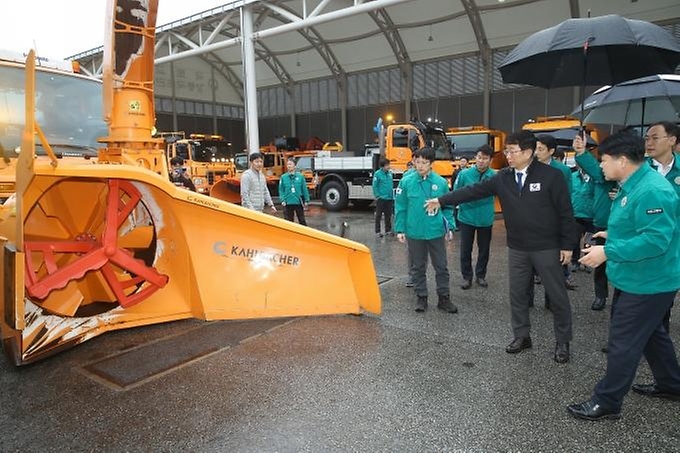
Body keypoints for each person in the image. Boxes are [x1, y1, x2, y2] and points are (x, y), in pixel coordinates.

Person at [425, 130, 576, 363]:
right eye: (506, 150)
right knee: (517, 294)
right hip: (517, 247)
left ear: (528, 152)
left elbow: (566, 212)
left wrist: (567, 246)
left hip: (546, 246)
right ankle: (522, 336)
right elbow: (473, 191)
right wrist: (441, 200)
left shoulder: (551, 176)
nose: (507, 155)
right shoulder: (503, 177)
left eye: (512, 151)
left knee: (557, 295)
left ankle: (563, 341)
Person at [567, 130, 680, 421]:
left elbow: (656, 240)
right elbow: (638, 226)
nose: (601, 166)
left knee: (623, 342)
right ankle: (671, 384)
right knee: (653, 334)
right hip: (637, 277)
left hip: (649, 281)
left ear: (622, 160)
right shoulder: (633, 182)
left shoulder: (653, 190)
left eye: (603, 160)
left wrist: (608, 251)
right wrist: (612, 233)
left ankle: (607, 402)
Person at [395, 147, 458, 314]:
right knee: (417, 266)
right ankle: (421, 296)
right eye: (417, 162)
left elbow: (448, 206)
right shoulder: (406, 182)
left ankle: (444, 298)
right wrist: (400, 229)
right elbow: (400, 206)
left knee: (441, 266)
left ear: (431, 164)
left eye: (424, 162)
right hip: (414, 232)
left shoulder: (441, 183)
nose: (420, 165)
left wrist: (449, 226)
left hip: (435, 231)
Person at [644, 121, 680, 331]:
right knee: (633, 294)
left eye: (655, 138)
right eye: (647, 138)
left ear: (672, 140)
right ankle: (629, 336)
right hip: (642, 239)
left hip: (672, 244)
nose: (649, 143)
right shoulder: (640, 168)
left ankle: (659, 334)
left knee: (664, 296)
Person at [535, 134, 577, 292]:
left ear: (551, 151)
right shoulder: (530, 166)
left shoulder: (562, 171)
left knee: (553, 264)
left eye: (541, 149)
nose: (536, 152)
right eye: (535, 148)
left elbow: (566, 199)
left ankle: (551, 299)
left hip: (553, 222)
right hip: (533, 222)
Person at [454, 144, 496, 290]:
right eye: (479, 157)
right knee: (466, 249)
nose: (481, 161)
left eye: (485, 158)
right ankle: (467, 277)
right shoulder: (464, 174)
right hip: (466, 217)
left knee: (484, 249)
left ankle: (481, 275)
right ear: (475, 158)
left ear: (490, 160)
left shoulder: (494, 176)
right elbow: (456, 191)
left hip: (485, 218)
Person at [569, 163, 595, 272]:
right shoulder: (572, 176)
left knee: (589, 240)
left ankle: (587, 261)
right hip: (576, 213)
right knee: (574, 240)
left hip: (591, 214)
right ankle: (575, 261)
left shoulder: (595, 178)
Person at [278, 157, 310, 225]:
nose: (289, 166)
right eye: (288, 164)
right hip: (288, 202)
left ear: (295, 165)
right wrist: (282, 199)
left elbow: (304, 188)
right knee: (288, 222)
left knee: (302, 220)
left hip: (298, 201)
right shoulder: (283, 177)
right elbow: (281, 190)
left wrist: (307, 200)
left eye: (290, 164)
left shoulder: (300, 176)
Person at [372, 157, 394, 237]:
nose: (388, 166)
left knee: (388, 215)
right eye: (387, 165)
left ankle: (388, 230)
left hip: (389, 198)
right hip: (381, 198)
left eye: (389, 165)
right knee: (379, 215)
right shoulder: (377, 174)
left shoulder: (390, 173)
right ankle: (377, 231)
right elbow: (375, 185)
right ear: (382, 166)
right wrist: (377, 195)